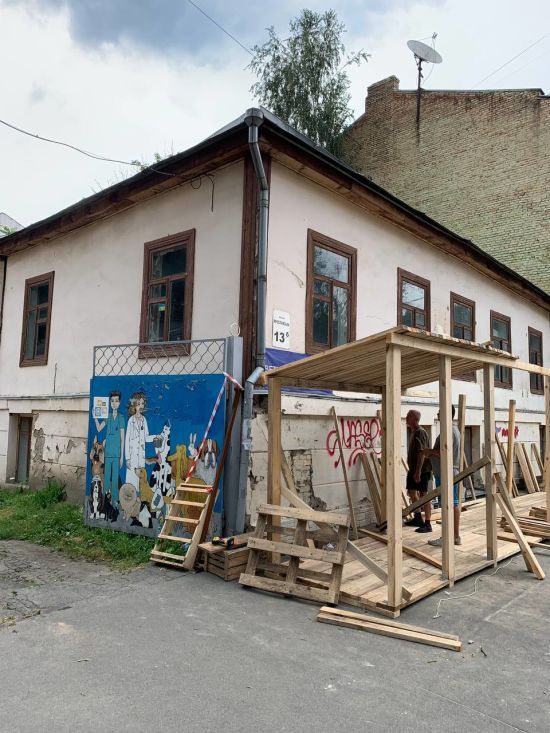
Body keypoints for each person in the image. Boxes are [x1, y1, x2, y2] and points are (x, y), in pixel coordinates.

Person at [416, 406, 462, 545]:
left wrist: (428, 451)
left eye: (440, 412)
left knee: (447, 505)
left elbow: (444, 452)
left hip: (446, 473)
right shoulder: (454, 430)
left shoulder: (449, 431)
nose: (437, 413)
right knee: (453, 504)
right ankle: (455, 536)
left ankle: (447, 538)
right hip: (449, 472)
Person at [94, 390, 125, 509]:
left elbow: (122, 438)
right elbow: (99, 428)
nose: (114, 403)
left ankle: (115, 503)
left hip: (116, 454)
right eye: (112, 401)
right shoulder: (108, 417)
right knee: (106, 478)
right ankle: (105, 503)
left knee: (115, 479)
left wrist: (122, 456)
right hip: (107, 454)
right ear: (110, 403)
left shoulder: (121, 418)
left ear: (119, 402)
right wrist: (95, 416)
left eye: (116, 401)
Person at [403, 410, 432, 531]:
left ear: (415, 419)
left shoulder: (420, 432)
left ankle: (428, 523)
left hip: (422, 470)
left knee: (424, 495)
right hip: (413, 469)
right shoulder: (413, 431)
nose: (406, 418)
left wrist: (418, 472)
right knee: (411, 491)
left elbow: (422, 453)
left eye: (408, 416)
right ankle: (418, 517)